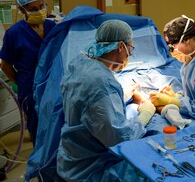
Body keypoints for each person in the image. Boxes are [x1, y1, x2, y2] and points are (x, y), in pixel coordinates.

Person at [57, 19, 156, 181]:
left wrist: (120, 96)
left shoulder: (80, 64)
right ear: (120, 47)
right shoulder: (101, 82)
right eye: (129, 49)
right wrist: (144, 115)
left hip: (70, 156)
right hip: (90, 168)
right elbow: (119, 138)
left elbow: (85, 102)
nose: (129, 55)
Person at [0, 0, 56, 145]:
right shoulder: (14, 34)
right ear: (22, 9)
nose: (39, 11)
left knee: (54, 123)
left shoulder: (51, 26)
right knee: (37, 126)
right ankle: (40, 163)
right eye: (32, 9)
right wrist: (21, 83)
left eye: (41, 6)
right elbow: (5, 65)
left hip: (51, 82)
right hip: (29, 86)